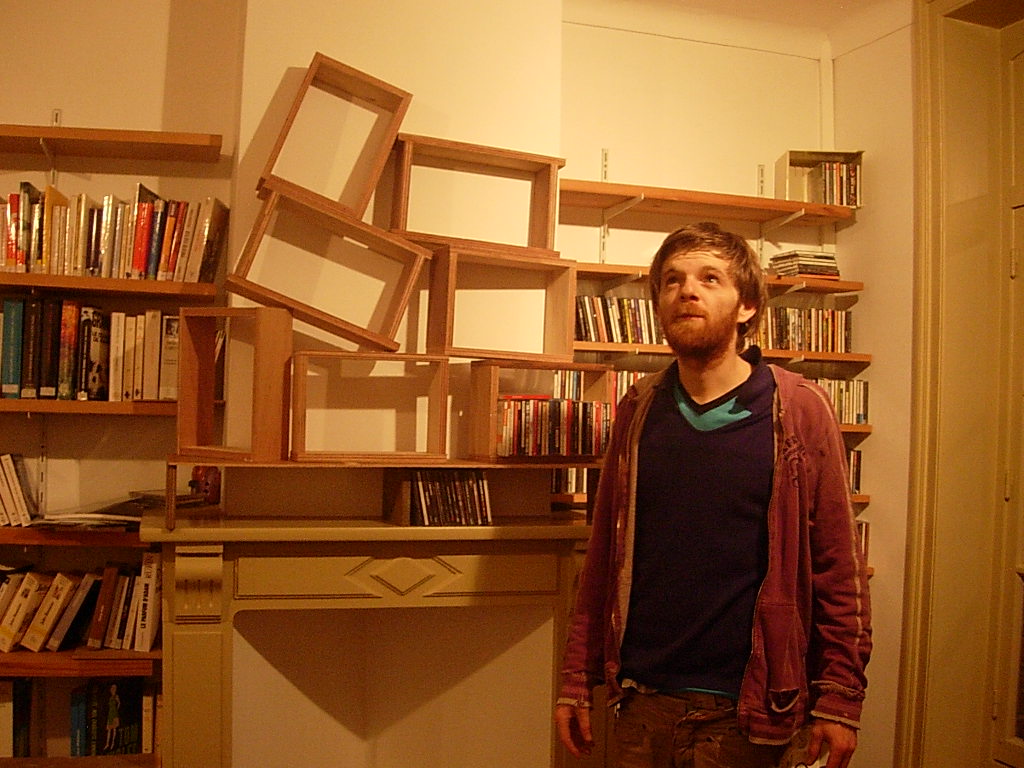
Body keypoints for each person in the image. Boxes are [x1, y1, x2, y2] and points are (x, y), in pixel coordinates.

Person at [555, 222, 871, 768]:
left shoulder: (798, 409)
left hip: (751, 713)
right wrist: (577, 679)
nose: (687, 291)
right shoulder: (639, 408)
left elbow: (837, 567)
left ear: (747, 305)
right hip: (642, 705)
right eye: (672, 280)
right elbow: (604, 556)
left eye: (709, 278)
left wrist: (840, 699)